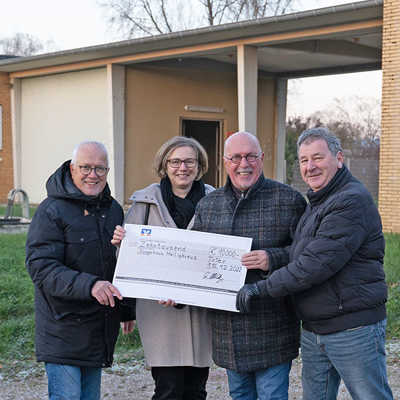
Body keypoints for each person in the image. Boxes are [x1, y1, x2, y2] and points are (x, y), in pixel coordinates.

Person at [236, 127, 393, 400]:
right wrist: (271, 258)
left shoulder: (350, 201)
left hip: (352, 328)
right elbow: (300, 252)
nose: (310, 167)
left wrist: (260, 289)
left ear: (339, 158)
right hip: (315, 328)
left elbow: (314, 264)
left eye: (318, 158)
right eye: (304, 160)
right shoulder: (318, 201)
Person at [192, 131, 306, 400]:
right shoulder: (208, 206)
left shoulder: (289, 200)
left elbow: (307, 255)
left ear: (262, 159)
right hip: (227, 327)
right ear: (224, 162)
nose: (244, 163)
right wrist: (178, 293)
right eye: (236, 157)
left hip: (273, 322)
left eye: (251, 156)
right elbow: (194, 259)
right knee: (240, 395)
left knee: (271, 395)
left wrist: (272, 258)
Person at [26, 141, 134, 400]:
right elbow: (41, 267)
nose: (92, 175)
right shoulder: (51, 210)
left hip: (97, 328)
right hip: (62, 327)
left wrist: (126, 308)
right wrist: (91, 286)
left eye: (100, 168)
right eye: (85, 167)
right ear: (72, 168)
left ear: (107, 171)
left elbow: (120, 263)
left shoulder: (113, 210)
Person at [112, 136, 214, 400]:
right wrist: (120, 243)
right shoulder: (144, 203)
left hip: (200, 310)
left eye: (189, 161)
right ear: (164, 165)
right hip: (159, 313)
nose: (183, 167)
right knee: (167, 389)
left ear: (199, 165)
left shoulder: (216, 200)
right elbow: (127, 259)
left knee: (196, 389)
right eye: (175, 161)